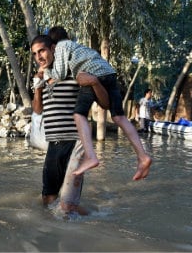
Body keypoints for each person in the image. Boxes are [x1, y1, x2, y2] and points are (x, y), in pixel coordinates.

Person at [46, 26, 152, 181]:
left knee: (78, 114)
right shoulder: (78, 47)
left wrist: (46, 72)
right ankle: (143, 157)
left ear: (53, 45)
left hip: (91, 74)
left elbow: (60, 74)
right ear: (67, 35)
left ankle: (91, 156)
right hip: (109, 73)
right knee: (119, 118)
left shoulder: (62, 46)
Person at [31, 34, 96, 215]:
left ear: (53, 49)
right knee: (48, 199)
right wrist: (37, 86)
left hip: (74, 143)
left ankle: (99, 222)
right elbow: (37, 110)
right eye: (35, 54)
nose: (39, 57)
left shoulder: (74, 72)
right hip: (54, 144)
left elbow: (94, 100)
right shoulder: (42, 78)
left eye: (42, 51)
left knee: (67, 207)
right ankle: (93, 216)